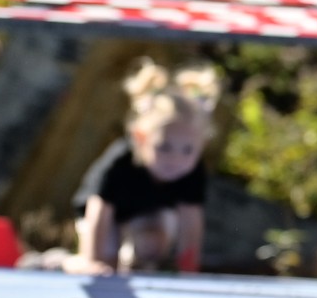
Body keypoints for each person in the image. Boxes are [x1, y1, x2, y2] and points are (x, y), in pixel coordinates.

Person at [70, 59, 222, 275]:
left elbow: (191, 225)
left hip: (146, 211)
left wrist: (189, 270)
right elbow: (98, 211)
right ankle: (56, 263)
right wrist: (92, 261)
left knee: (152, 246)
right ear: (141, 138)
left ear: (202, 146)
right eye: (164, 147)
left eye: (188, 150)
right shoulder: (121, 162)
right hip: (101, 216)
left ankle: (137, 269)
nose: (175, 159)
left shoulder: (193, 171)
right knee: (105, 262)